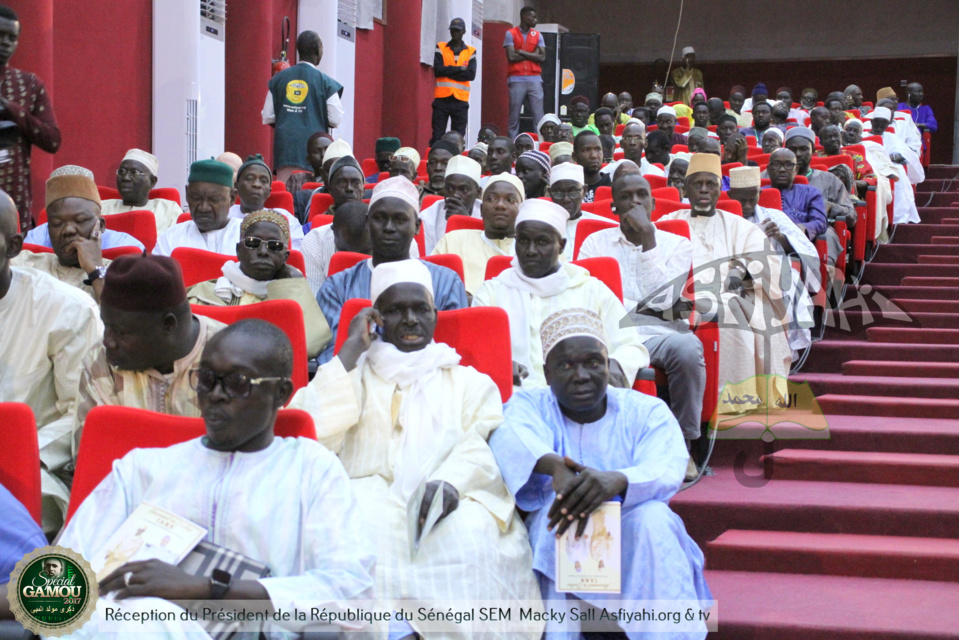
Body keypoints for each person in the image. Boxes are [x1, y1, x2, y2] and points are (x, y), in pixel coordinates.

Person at [59, 320, 376, 638]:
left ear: (280, 393)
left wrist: (208, 590)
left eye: (238, 383)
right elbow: (59, 579)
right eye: (207, 379)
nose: (216, 395)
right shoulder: (142, 469)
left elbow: (351, 592)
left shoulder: (311, 469)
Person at [292, 260, 542, 640]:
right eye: (395, 310)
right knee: (360, 533)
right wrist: (348, 353)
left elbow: (481, 444)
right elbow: (310, 432)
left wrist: (451, 481)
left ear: (435, 315)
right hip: (364, 490)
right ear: (376, 319)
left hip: (453, 491)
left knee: (469, 536)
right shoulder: (353, 374)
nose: (410, 319)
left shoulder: (468, 380)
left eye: (420, 309)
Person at [489, 309, 711, 638]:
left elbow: (667, 462)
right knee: (562, 512)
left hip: (632, 527)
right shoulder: (530, 404)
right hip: (559, 526)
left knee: (655, 519)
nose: (581, 375)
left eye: (593, 362)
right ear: (547, 373)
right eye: (566, 365)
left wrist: (618, 481)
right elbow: (511, 436)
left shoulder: (645, 410)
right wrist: (554, 467)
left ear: (608, 365)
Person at [579, 174, 706, 480]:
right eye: (626, 196)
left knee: (688, 348)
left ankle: (682, 444)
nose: (634, 202)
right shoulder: (595, 243)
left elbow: (665, 301)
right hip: (611, 334)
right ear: (614, 207)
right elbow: (587, 295)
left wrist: (649, 240)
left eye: (641, 195)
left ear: (653, 203)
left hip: (661, 333)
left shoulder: (677, 244)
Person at [0, 188, 100, 532]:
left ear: (14, 247)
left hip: (27, 467)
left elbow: (80, 412)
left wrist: (18, 455)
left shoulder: (65, 309)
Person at [659, 153, 792, 413]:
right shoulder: (666, 223)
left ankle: (732, 400)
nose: (704, 190)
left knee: (729, 308)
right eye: (697, 184)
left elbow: (763, 261)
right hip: (678, 296)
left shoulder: (740, 226)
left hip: (729, 296)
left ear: (720, 190)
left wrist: (740, 270)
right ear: (685, 189)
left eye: (710, 184)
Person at [473, 199, 648, 390]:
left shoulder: (591, 290)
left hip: (580, 395)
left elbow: (631, 346)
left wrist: (616, 363)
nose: (530, 251)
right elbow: (477, 351)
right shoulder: (492, 292)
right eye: (523, 241)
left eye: (542, 242)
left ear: (562, 246)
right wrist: (499, 365)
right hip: (514, 397)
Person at [317, 177, 468, 363]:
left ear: (417, 226)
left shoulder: (446, 283)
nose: (388, 228)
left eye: (399, 219)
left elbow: (456, 353)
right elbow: (333, 359)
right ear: (367, 223)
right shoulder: (337, 288)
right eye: (380, 218)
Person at [186, 210, 330, 358]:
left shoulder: (293, 294)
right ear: (238, 250)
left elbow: (309, 347)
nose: (263, 252)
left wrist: (293, 284)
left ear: (285, 257)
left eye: (274, 246)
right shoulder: (204, 293)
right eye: (253, 243)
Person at [727, 166, 817, 355]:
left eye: (752, 199)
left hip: (771, 276)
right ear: (730, 195)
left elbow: (807, 249)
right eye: (742, 200)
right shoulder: (722, 218)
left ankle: (780, 351)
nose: (748, 206)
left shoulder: (775, 216)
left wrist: (780, 237)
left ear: (759, 194)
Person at [0, 6, 61, 232]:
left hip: (13, 196)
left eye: (12, 38)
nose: (5, 43)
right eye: (0, 35)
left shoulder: (29, 85)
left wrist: (12, 109)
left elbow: (53, 140)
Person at [13, 165, 111, 301]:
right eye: (57, 223)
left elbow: (117, 314)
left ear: (101, 225)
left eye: (80, 220)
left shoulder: (120, 273)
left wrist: (96, 270)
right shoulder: (22, 263)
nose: (68, 230)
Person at [263, 31, 344, 183]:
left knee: (287, 191)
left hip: (285, 149)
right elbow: (335, 119)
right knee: (311, 192)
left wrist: (289, 118)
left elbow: (268, 116)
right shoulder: (326, 82)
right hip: (316, 152)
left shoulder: (278, 79)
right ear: (318, 50)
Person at [433, 173, 523, 295]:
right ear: (481, 209)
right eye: (491, 199)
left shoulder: (533, 249)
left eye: (510, 200)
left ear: (522, 210)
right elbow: (433, 289)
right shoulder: (452, 241)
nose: (500, 205)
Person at [783, 127, 855, 267]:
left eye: (804, 149)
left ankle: (824, 278)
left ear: (814, 151)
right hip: (780, 228)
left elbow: (851, 215)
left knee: (826, 236)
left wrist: (831, 206)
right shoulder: (770, 176)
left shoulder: (829, 179)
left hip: (820, 229)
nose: (798, 154)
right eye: (793, 149)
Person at [154, 159, 243, 257]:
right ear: (187, 194)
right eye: (196, 198)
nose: (203, 208)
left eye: (213, 199)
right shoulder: (171, 237)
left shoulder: (246, 235)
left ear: (232, 198)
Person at [227, 154, 303, 250]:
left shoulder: (284, 218)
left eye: (263, 181)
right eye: (250, 178)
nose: (256, 184)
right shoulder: (225, 214)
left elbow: (295, 253)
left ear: (269, 192)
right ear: (236, 186)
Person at [101, 149, 182, 234]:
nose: (125, 177)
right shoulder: (101, 207)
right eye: (122, 171)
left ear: (152, 181)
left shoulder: (169, 210)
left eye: (134, 172)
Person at [868, 107, 923, 224]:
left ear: (888, 124)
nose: (879, 126)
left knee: (900, 174)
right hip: (868, 168)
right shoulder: (863, 135)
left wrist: (889, 158)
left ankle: (898, 216)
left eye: (883, 123)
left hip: (888, 167)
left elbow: (903, 153)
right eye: (877, 122)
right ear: (871, 122)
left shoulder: (891, 137)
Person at [419, 155, 483, 254]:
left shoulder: (487, 215)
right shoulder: (428, 216)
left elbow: (485, 254)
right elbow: (427, 257)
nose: (455, 195)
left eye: (463, 190)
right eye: (449, 188)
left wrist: (466, 222)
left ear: (478, 193)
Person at [548, 162, 609, 261]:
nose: (566, 199)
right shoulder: (541, 228)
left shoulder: (602, 227)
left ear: (584, 191)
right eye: (558, 193)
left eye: (573, 192)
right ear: (550, 193)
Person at [431, 17, 476, 145]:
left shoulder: (471, 51)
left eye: (458, 30)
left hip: (460, 100)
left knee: (458, 137)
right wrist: (460, 69)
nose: (455, 33)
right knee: (437, 136)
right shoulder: (441, 47)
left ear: (464, 31)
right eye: (453, 30)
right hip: (442, 99)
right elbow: (438, 70)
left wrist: (448, 71)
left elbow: (470, 75)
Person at [505, 6, 545, 139]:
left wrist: (522, 52)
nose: (536, 20)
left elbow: (542, 58)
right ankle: (511, 144)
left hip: (535, 79)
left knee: (539, 117)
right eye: (533, 17)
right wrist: (533, 55)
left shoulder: (538, 35)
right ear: (524, 17)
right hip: (516, 79)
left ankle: (539, 144)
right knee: (514, 117)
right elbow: (511, 57)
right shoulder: (511, 33)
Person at [573, 131, 611, 204]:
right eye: (586, 150)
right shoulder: (569, 187)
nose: (594, 155)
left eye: (598, 149)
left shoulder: (613, 183)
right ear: (574, 156)